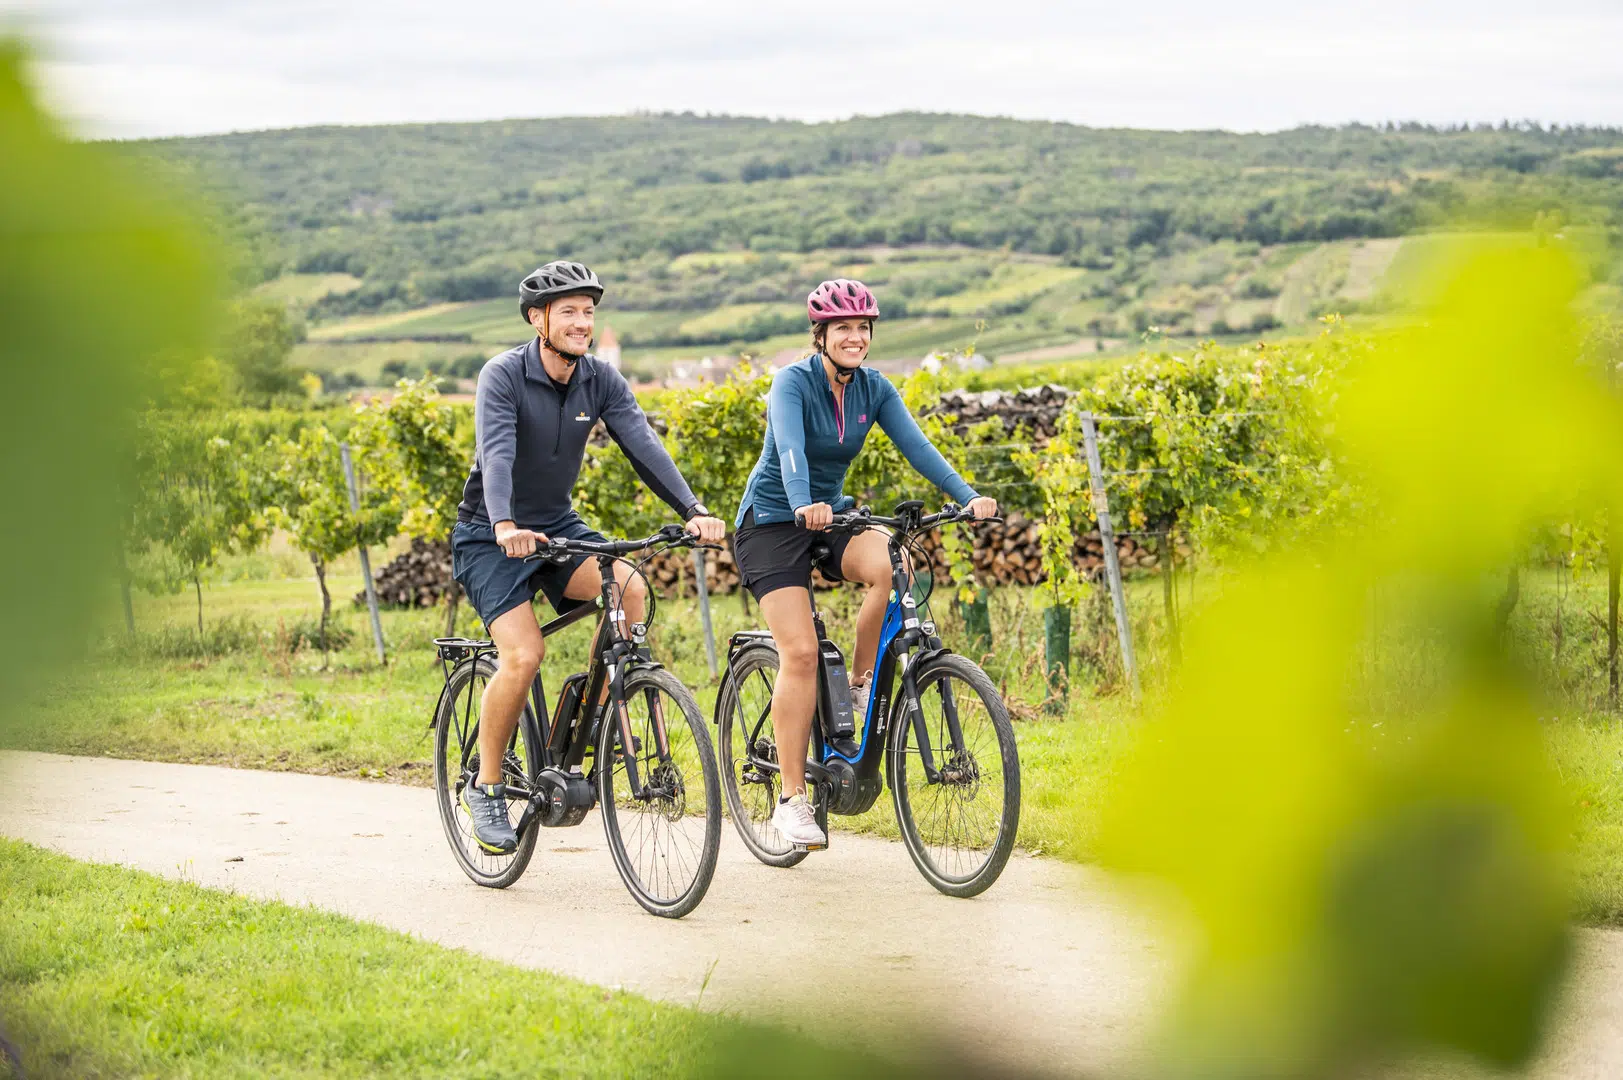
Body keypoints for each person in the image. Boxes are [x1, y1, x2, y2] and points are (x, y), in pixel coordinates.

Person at [452, 260, 726, 854]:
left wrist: (692, 510)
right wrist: (503, 522)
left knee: (629, 588)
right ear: (538, 318)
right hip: (488, 534)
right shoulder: (502, 375)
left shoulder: (600, 379)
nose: (583, 323)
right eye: (570, 312)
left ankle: (593, 727)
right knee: (524, 655)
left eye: (589, 312)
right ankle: (487, 783)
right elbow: (496, 453)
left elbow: (642, 443)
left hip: (556, 527)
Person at [732, 278, 997, 849]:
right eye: (843, 328)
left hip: (831, 517)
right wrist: (802, 501)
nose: (855, 337)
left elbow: (919, 446)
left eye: (863, 328)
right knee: (800, 652)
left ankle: (857, 683)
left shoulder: (873, 389)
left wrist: (967, 495)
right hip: (775, 522)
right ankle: (791, 799)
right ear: (820, 334)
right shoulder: (792, 383)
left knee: (892, 560)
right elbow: (789, 448)